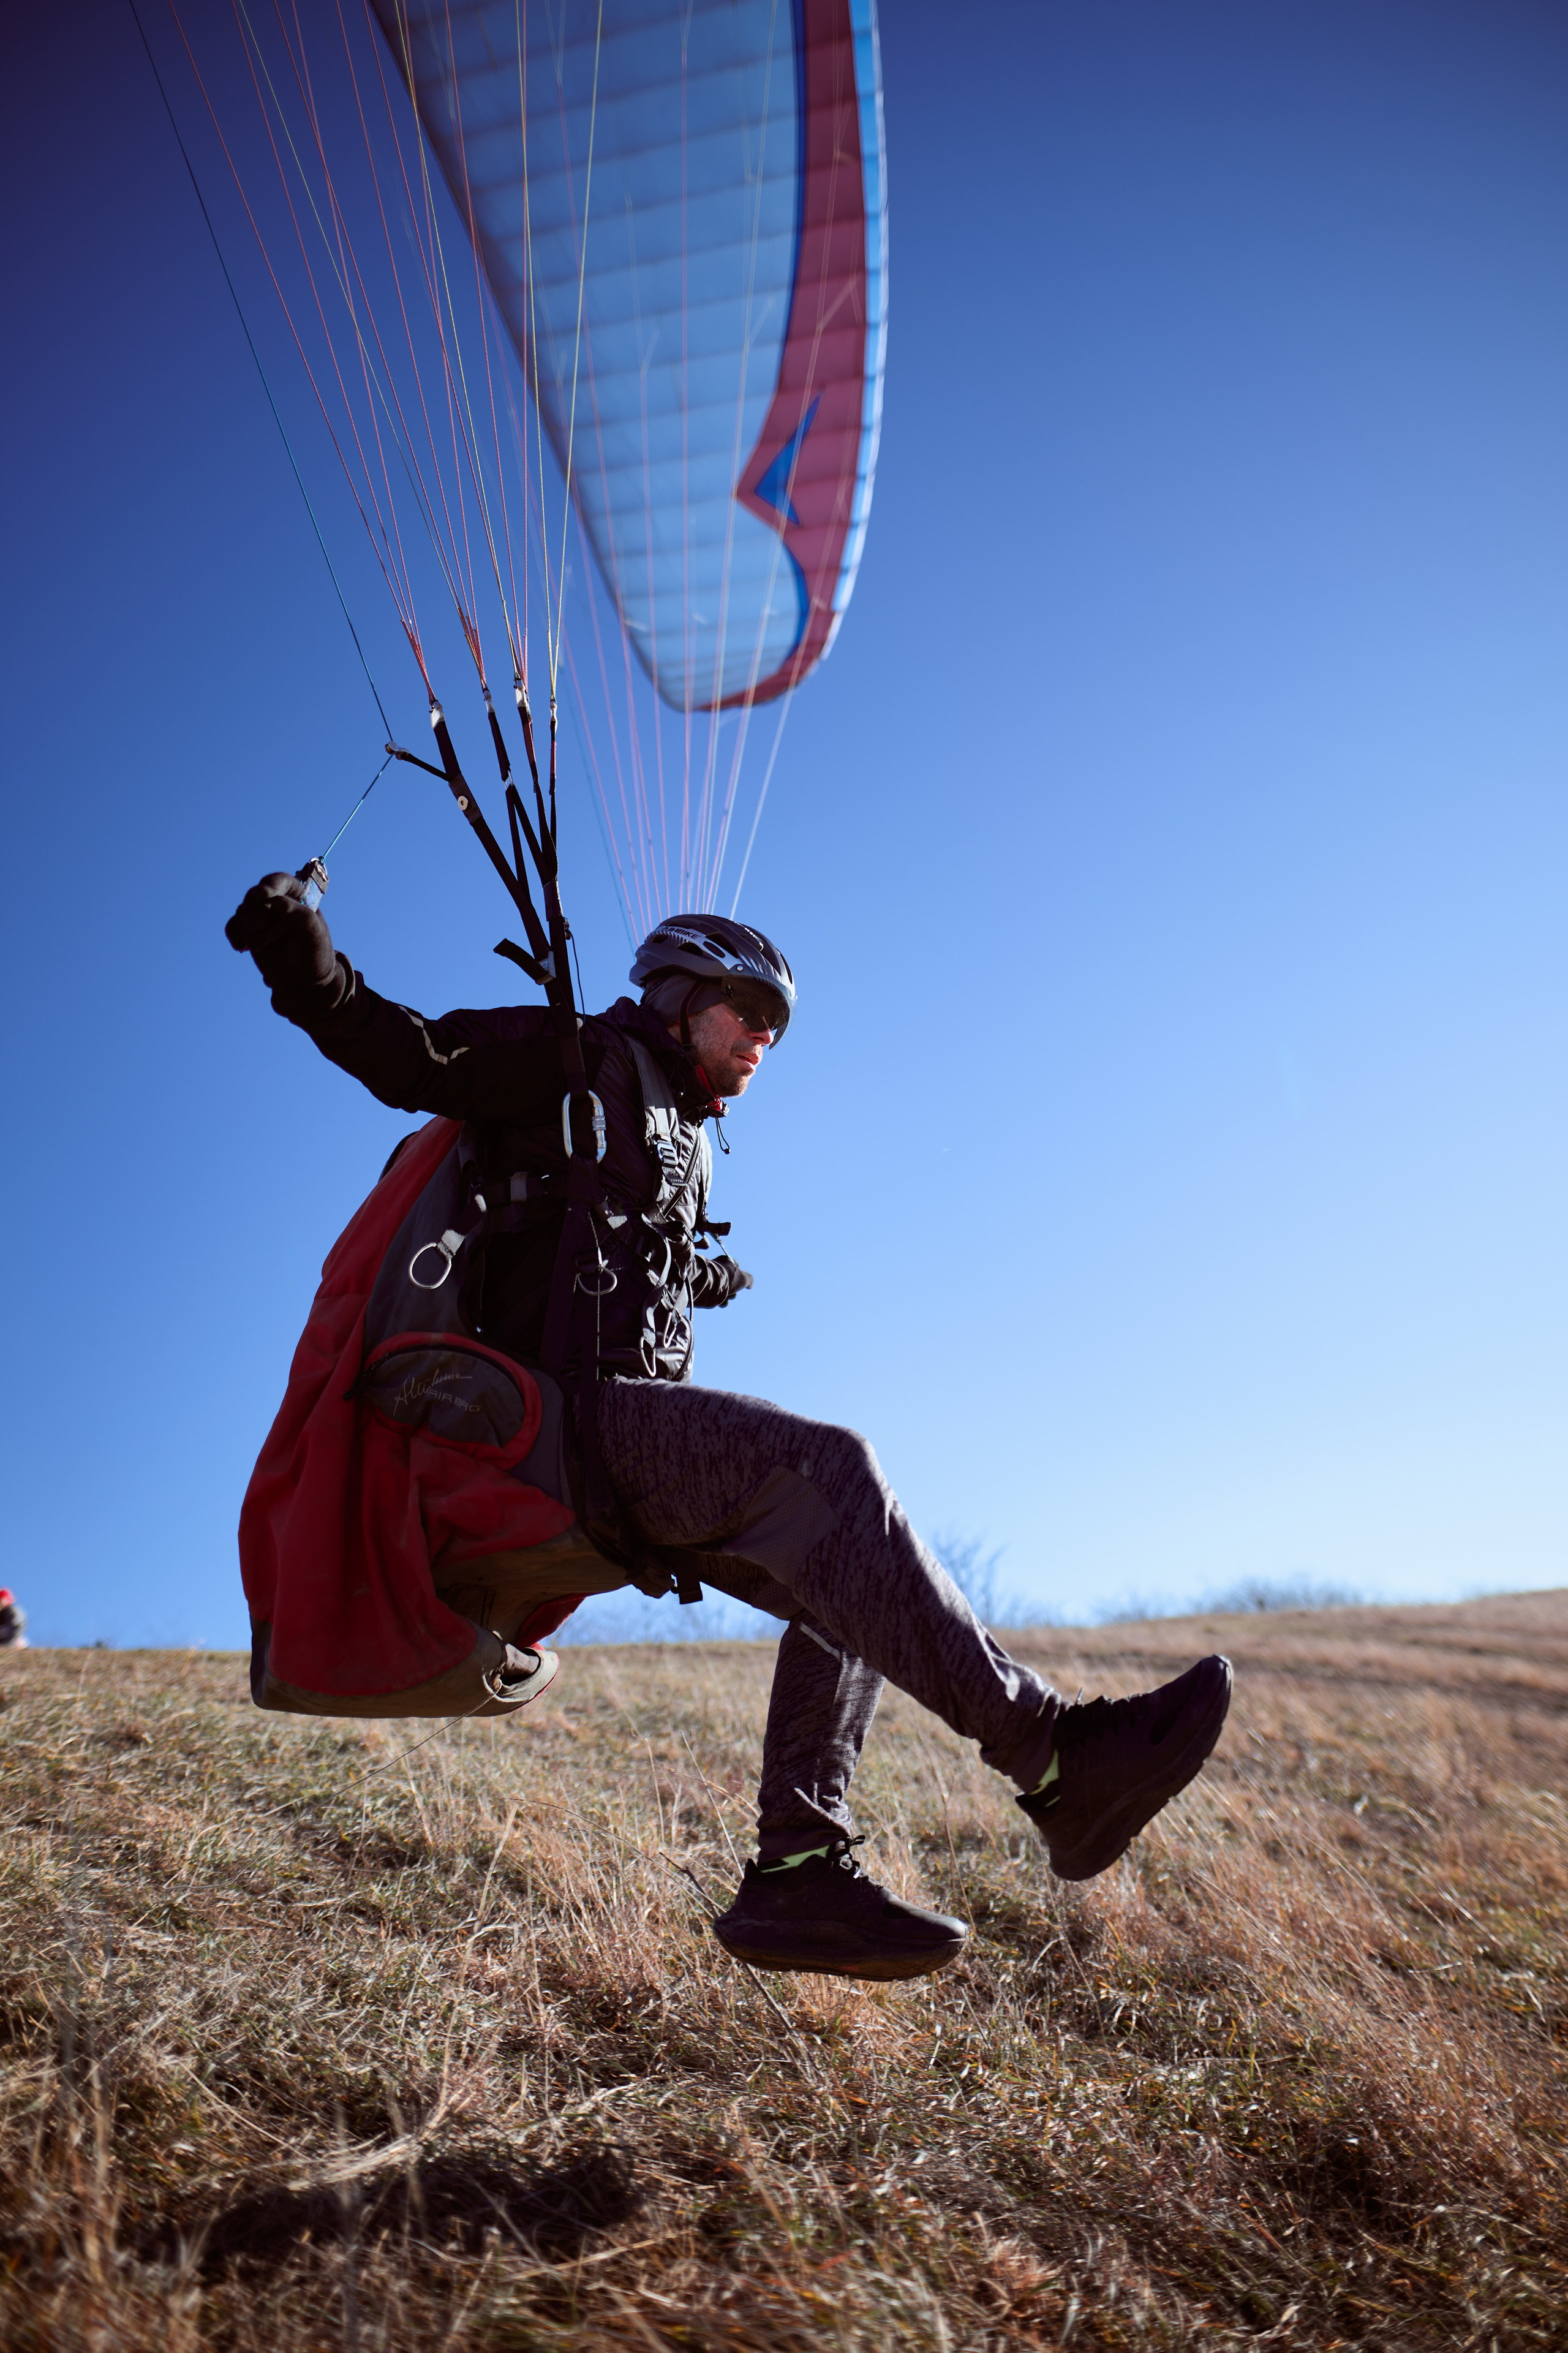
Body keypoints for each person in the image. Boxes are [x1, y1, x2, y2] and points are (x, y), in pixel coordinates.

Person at [227, 875, 1232, 1981]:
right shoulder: (572, 1054)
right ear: (676, 994)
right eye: (748, 1009)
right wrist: (307, 964)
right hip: (563, 1433)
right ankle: (1057, 1756)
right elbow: (408, 1056)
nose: (765, 1037)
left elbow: (590, 1239)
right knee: (833, 1472)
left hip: (615, 1445)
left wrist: (692, 1274)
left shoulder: (679, 1126)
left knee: (842, 1579)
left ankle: (799, 1872)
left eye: (779, 1026)